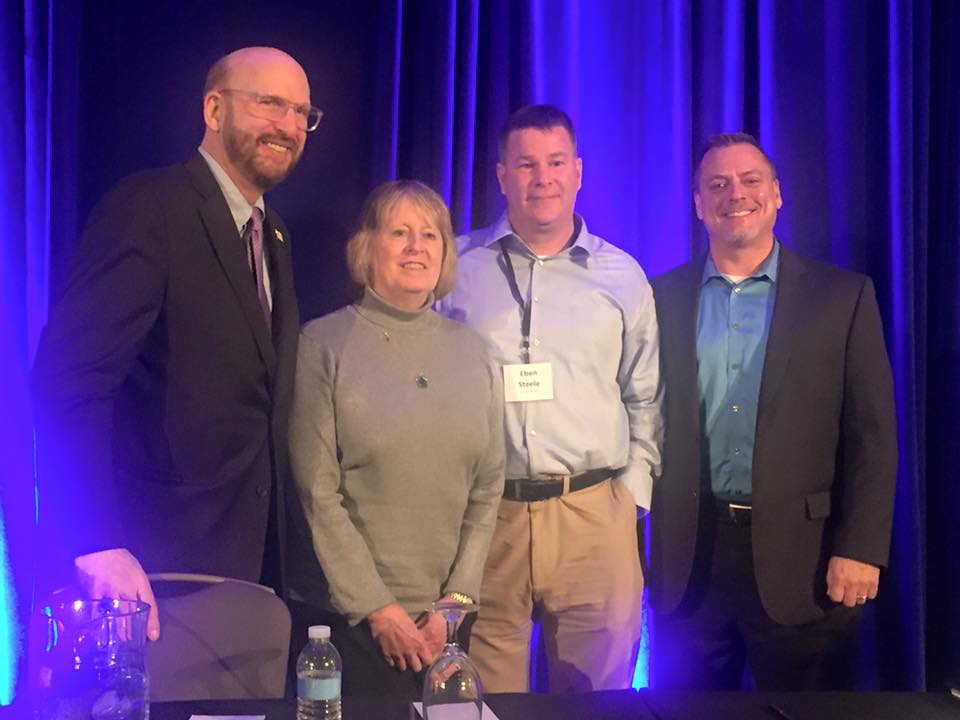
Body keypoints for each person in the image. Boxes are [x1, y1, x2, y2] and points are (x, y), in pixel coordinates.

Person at [31, 47, 318, 640]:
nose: (288, 126)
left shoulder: (276, 236)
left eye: (302, 113)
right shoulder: (149, 208)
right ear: (214, 109)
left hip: (249, 574)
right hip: (150, 576)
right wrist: (95, 541)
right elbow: (69, 380)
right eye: (269, 103)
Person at [649, 132, 897, 690]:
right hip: (690, 563)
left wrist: (860, 547)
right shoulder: (658, 298)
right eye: (717, 184)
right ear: (697, 204)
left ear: (778, 194)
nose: (735, 193)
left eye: (750, 180)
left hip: (805, 564)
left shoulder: (843, 297)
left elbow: (872, 435)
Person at [439, 104, 663, 693]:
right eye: (527, 164)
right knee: (485, 700)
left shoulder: (622, 276)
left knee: (598, 699)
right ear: (501, 175)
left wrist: (628, 498)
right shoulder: (454, 268)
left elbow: (646, 396)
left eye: (556, 162)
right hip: (488, 518)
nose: (543, 178)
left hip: (593, 514)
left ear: (579, 171)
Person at [286, 180, 504, 699]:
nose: (416, 247)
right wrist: (378, 608)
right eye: (399, 232)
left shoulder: (473, 352)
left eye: (430, 235)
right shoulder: (322, 343)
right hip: (350, 622)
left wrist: (452, 606)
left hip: (444, 626)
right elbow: (316, 491)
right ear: (367, 248)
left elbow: (488, 486)